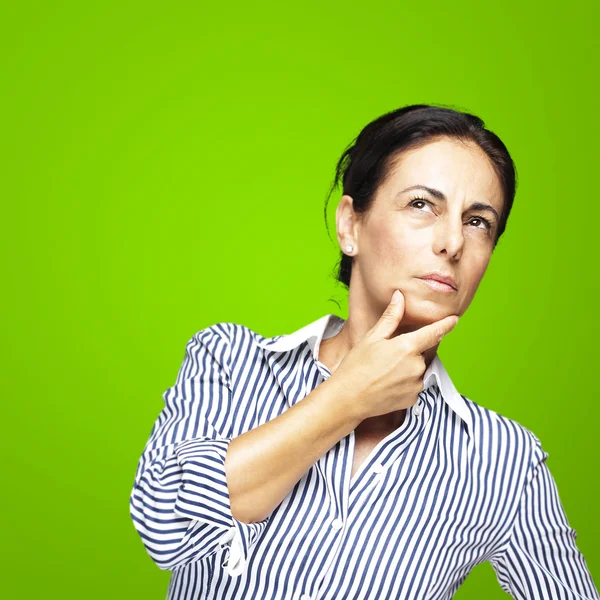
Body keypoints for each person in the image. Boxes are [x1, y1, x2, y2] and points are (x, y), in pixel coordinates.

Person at [129, 104, 599, 600]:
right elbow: (162, 525)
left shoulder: (503, 459)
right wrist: (347, 397)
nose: (453, 241)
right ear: (351, 226)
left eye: (479, 221)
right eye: (422, 204)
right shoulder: (229, 360)